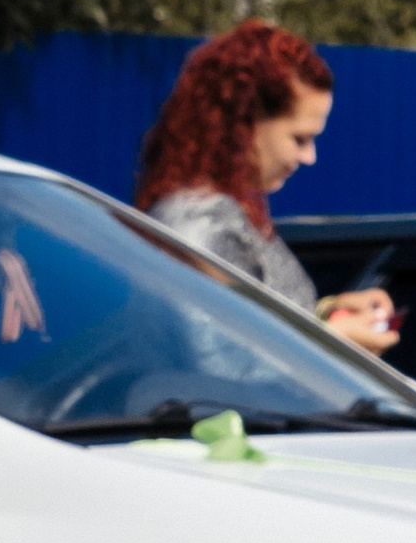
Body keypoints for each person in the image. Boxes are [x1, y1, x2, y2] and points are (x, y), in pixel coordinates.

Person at [135, 19, 401, 353]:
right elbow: (213, 368)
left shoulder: (222, 209)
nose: (310, 157)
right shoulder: (196, 224)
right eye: (300, 138)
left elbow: (257, 328)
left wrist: (329, 313)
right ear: (244, 122)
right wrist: (331, 343)